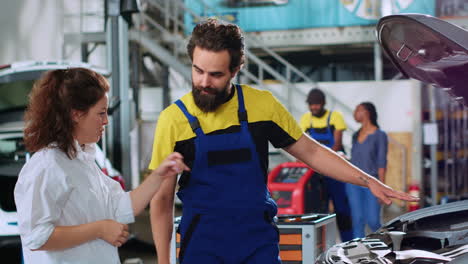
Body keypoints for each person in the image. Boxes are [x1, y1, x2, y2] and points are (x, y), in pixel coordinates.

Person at [148, 18, 417, 264]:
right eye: (198, 71)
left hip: (258, 246)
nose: (203, 82)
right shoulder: (173, 120)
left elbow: (311, 152)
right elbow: (161, 200)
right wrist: (163, 261)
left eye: (215, 75)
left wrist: (369, 181)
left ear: (235, 70)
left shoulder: (261, 106)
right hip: (202, 249)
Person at [13, 68, 189, 264]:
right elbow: (37, 237)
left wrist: (159, 175)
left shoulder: (82, 160)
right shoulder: (47, 166)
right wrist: (99, 229)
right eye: (101, 113)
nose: (105, 121)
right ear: (76, 115)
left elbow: (121, 206)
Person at [298, 88, 353, 242]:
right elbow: (302, 144)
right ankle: (319, 245)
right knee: (319, 211)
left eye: (317, 104)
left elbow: (337, 144)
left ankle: (347, 242)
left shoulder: (335, 117)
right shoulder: (306, 119)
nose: (314, 107)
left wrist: (320, 159)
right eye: (311, 104)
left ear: (323, 103)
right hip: (316, 174)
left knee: (342, 209)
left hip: (335, 172)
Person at [346, 102, 388, 238]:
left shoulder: (380, 135)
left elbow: (382, 163)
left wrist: (383, 188)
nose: (354, 113)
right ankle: (357, 253)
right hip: (353, 183)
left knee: (373, 220)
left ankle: (386, 243)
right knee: (357, 220)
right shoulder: (355, 135)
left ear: (367, 112)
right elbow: (355, 159)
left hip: (372, 183)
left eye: (358, 110)